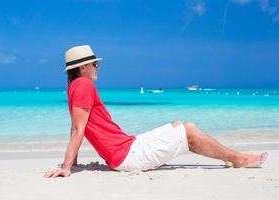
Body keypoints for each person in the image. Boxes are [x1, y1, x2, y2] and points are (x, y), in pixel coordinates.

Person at [44, 45, 267, 178]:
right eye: (95, 64)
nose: (98, 67)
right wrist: (66, 167)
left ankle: (229, 157)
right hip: (127, 156)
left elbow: (77, 126)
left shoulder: (74, 87)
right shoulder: (84, 85)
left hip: (127, 147)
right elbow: (77, 128)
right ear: (83, 67)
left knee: (177, 125)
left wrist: (72, 163)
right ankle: (238, 159)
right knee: (188, 131)